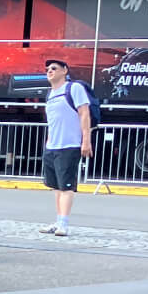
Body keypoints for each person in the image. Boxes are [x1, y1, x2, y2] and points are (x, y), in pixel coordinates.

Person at [38, 56, 94, 236]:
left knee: (66, 186)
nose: (49, 71)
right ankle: (58, 220)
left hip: (69, 145)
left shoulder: (74, 88)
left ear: (64, 71)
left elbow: (84, 113)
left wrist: (86, 140)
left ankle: (64, 223)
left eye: (54, 68)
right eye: (47, 69)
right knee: (56, 186)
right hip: (53, 146)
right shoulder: (51, 93)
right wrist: (48, 142)